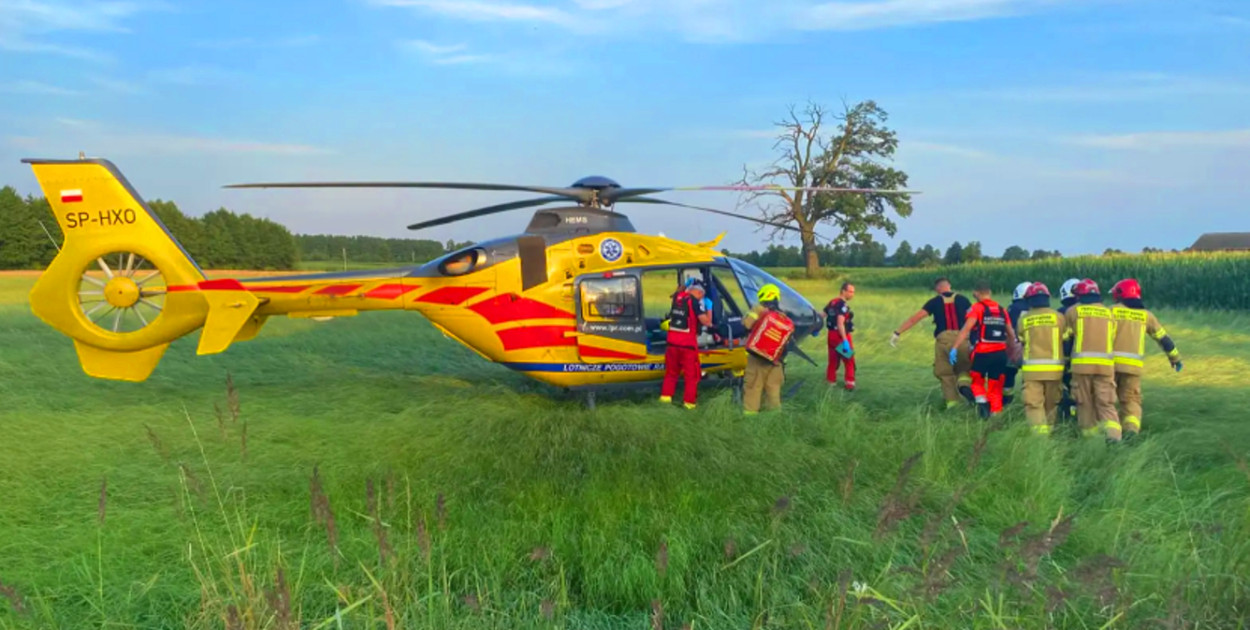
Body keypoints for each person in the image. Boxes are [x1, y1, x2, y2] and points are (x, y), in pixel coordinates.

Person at [1109, 278, 1183, 439]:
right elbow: (1164, 339)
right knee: (1131, 401)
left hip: (1109, 366)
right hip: (1133, 369)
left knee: (1106, 401)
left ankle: (1110, 435)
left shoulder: (1112, 311)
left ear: (1120, 295)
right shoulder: (1146, 316)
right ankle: (1130, 432)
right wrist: (1175, 359)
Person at [890, 277, 974, 409]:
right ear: (949, 286)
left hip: (943, 341)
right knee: (965, 369)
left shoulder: (934, 302)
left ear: (938, 289)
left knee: (946, 374)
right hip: (962, 339)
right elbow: (974, 319)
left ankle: (953, 405)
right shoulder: (964, 300)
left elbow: (915, 319)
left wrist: (897, 332)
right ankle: (965, 387)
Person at [1063, 279, 1122, 442]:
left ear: (1080, 296)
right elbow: (1112, 337)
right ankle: (1114, 438)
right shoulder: (1109, 313)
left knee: (1084, 404)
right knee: (1106, 404)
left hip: (1081, 367)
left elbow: (1065, 339)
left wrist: (1066, 361)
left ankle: (1090, 440)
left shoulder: (1073, 311)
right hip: (1105, 367)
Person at [950, 280, 1016, 418]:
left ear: (976, 293)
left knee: (977, 381)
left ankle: (983, 406)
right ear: (989, 293)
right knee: (996, 385)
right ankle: (996, 414)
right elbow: (1011, 334)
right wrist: (1011, 351)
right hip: (1000, 354)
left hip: (982, 353)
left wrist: (954, 348)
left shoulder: (977, 308)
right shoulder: (1001, 309)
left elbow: (965, 330)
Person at [1016, 282, 1067, 435]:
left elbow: (1021, 339)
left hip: (1032, 372)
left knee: (1033, 404)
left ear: (1029, 300)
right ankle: (1050, 431)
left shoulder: (1024, 319)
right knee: (1052, 403)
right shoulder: (1059, 317)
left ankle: (1040, 438)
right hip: (1055, 370)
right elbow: (1064, 337)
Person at [741, 284, 796, 414]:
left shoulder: (758, 309)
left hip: (757, 357)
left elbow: (746, 325)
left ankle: (750, 417)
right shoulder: (783, 316)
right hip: (776, 361)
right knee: (773, 390)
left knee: (753, 387)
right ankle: (773, 417)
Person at [659, 278, 714, 409]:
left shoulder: (677, 298)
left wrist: (686, 284)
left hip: (672, 344)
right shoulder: (695, 302)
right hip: (687, 346)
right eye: (702, 295)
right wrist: (709, 308)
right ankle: (689, 404)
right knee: (691, 376)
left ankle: (665, 400)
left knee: (671, 373)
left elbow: (678, 291)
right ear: (700, 293)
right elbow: (706, 322)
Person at [1002, 281, 1033, 405]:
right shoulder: (1037, 308)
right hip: (1033, 347)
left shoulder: (1013, 308)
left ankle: (1006, 401)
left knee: (1008, 372)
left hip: (1014, 345)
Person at [1055, 278, 1081, 422]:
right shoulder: (1090, 311)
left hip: (1064, 356)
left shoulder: (1060, 313)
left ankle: (1065, 416)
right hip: (1085, 359)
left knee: (1062, 387)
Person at [824, 282, 856, 391]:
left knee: (833, 360)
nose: (852, 294)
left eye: (853, 292)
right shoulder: (842, 305)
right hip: (839, 335)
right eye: (850, 291)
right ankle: (850, 384)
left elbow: (822, 315)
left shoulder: (832, 302)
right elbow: (840, 323)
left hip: (830, 335)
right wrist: (845, 340)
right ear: (843, 291)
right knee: (849, 359)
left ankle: (830, 382)